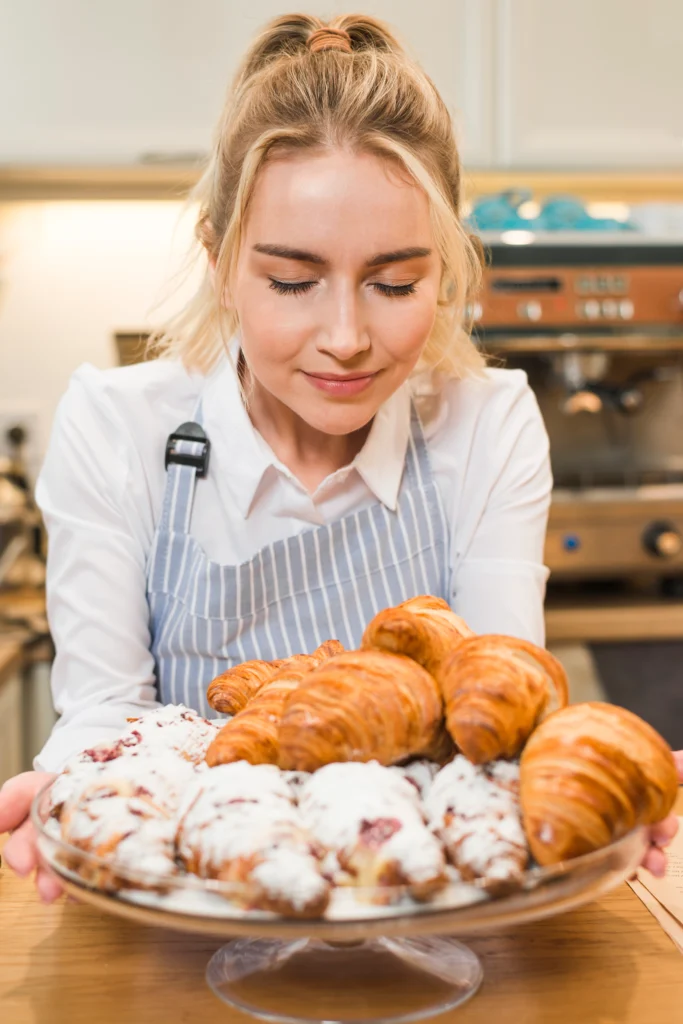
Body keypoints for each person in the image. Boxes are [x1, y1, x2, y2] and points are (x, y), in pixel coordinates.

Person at [0, 15, 679, 899]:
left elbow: (495, 722)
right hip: (203, 899)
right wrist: (91, 784)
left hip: (421, 904)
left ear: (443, 272)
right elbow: (107, 719)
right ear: (219, 262)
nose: (348, 339)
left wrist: (601, 772)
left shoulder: (487, 423)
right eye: (292, 282)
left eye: (396, 284)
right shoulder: (119, 426)